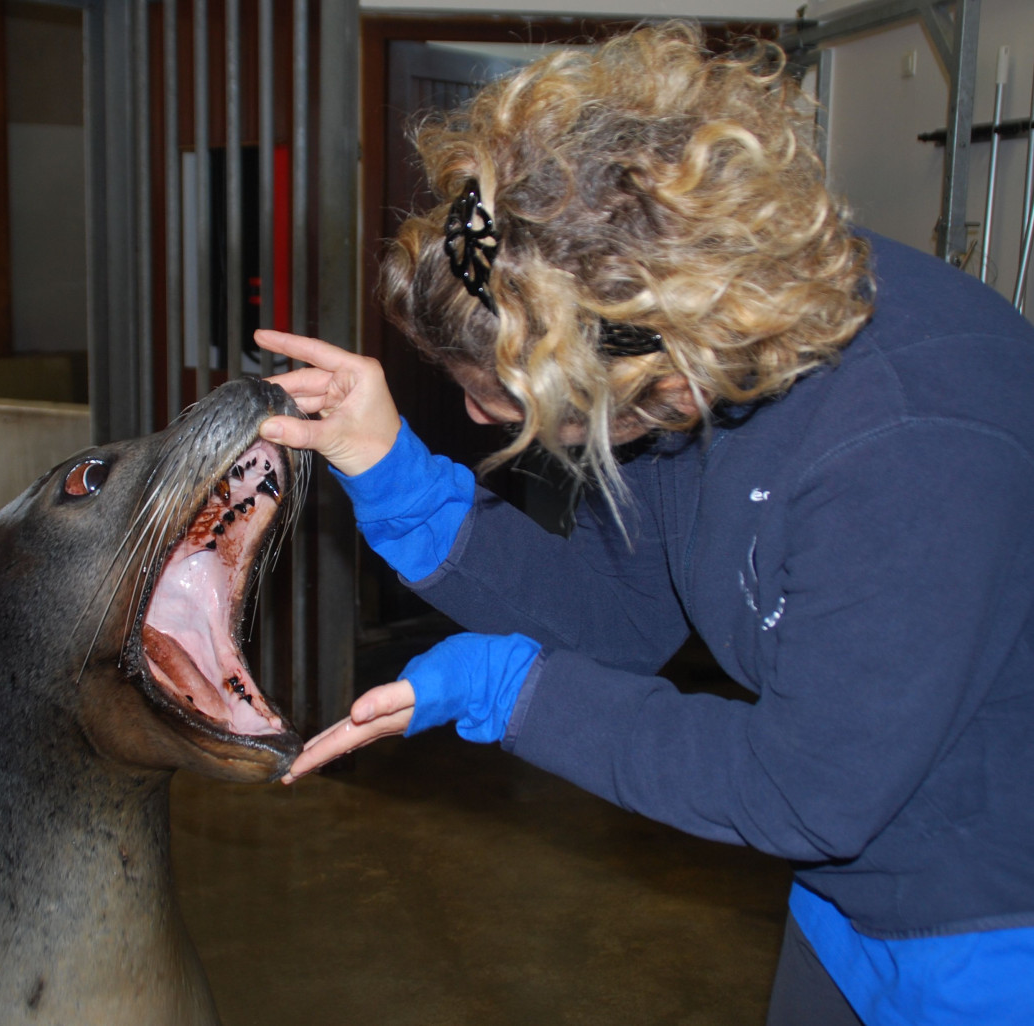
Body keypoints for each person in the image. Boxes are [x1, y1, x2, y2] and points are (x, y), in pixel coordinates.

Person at [255, 21, 1034, 1026]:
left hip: (992, 926)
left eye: (494, 396)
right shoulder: (703, 334)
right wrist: (392, 468)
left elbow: (807, 792)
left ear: (620, 362)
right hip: (852, 906)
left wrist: (512, 689)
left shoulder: (913, 441)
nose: (484, 417)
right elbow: (622, 617)